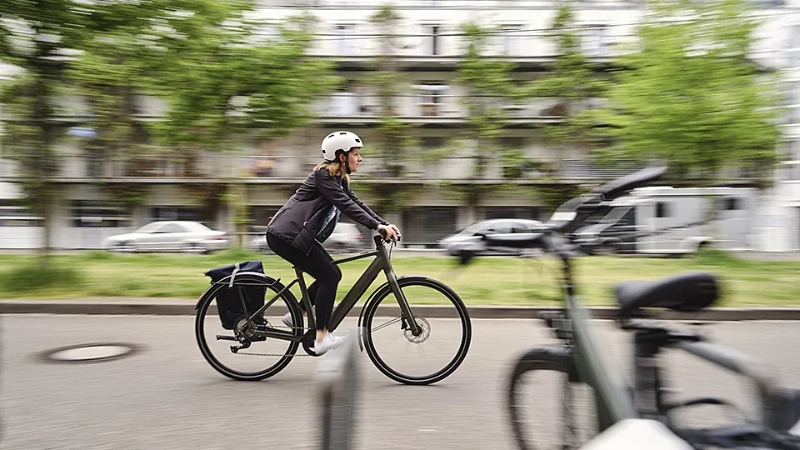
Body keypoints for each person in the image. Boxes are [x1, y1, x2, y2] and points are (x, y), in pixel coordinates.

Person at [265, 131, 400, 355]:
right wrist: (376, 227)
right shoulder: (324, 177)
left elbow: (355, 202)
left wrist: (384, 224)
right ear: (341, 156)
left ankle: (297, 313)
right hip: (285, 236)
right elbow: (345, 205)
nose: (360, 159)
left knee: (331, 274)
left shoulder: (338, 179)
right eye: (356, 154)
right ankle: (321, 338)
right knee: (329, 275)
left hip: (298, 236)